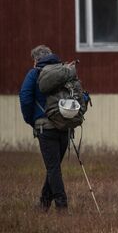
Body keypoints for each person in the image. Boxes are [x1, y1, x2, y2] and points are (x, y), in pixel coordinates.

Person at [19, 45, 71, 212]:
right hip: (65, 126)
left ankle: (62, 207)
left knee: (53, 167)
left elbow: (25, 98)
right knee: (54, 166)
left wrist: (31, 120)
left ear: (36, 60)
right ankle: (43, 204)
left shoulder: (34, 73)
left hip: (45, 128)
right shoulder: (65, 71)